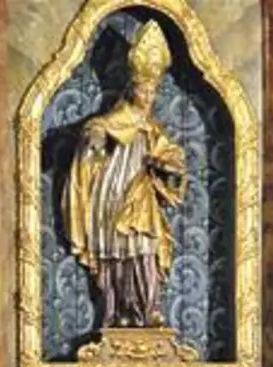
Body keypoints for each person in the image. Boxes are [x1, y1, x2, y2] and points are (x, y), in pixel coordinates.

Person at [63, 20, 187, 329]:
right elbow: (95, 131)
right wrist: (94, 140)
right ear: (132, 88)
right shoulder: (112, 119)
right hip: (112, 195)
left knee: (147, 249)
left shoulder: (152, 129)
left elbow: (171, 157)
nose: (149, 96)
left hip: (141, 195)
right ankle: (117, 311)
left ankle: (149, 310)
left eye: (154, 90)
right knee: (117, 256)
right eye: (144, 89)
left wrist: (169, 168)